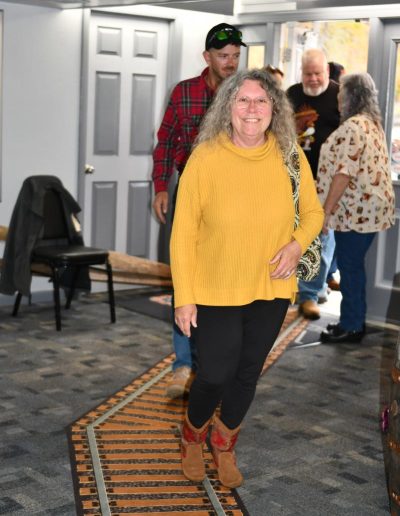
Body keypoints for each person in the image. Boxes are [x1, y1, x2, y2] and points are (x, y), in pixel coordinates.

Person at [170, 69, 323, 487]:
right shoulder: (205, 157)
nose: (252, 109)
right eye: (243, 100)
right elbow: (183, 234)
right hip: (215, 287)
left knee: (246, 373)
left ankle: (224, 445)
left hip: (270, 287)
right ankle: (192, 435)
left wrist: (296, 246)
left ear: (274, 108)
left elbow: (313, 213)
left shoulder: (290, 156)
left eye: (261, 100)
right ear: (228, 107)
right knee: (214, 374)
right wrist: (184, 297)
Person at [152, 23, 246, 398]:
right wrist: (161, 186)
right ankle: (183, 364)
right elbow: (165, 140)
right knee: (185, 274)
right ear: (207, 57)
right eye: (223, 56)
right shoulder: (184, 92)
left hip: (232, 199)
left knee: (223, 280)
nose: (231, 63)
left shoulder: (246, 94)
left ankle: (212, 366)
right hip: (189, 192)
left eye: (236, 56)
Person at [317, 73, 395, 343]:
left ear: (351, 98)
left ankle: (351, 326)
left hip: (355, 213)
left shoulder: (353, 127)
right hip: (367, 212)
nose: (338, 102)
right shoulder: (371, 124)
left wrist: (326, 211)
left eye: (340, 96)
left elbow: (344, 173)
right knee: (352, 268)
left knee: (350, 269)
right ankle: (352, 321)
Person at [286, 48, 340, 319]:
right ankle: (293, 287)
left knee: (321, 237)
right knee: (291, 235)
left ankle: (309, 294)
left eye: (318, 73)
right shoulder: (292, 94)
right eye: (308, 74)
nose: (313, 79)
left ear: (327, 71)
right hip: (292, 177)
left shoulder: (339, 95)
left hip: (326, 181)